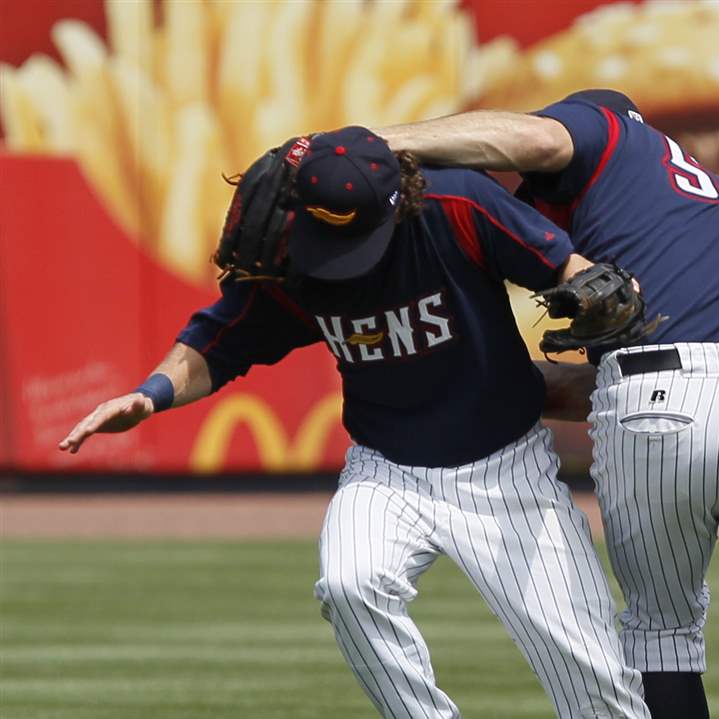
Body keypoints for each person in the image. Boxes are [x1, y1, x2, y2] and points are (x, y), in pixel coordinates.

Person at [58, 126, 652, 719]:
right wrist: (151, 394)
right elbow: (221, 338)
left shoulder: (460, 206)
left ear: (403, 201)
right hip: (386, 469)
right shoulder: (297, 254)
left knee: (592, 674)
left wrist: (591, 287)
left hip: (508, 469)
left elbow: (563, 264)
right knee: (350, 585)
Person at [377, 90, 719, 719]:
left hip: (654, 397)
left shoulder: (609, 131)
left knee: (662, 634)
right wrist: (472, 378)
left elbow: (541, 141)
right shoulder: (689, 208)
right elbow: (606, 387)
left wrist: (377, 142)